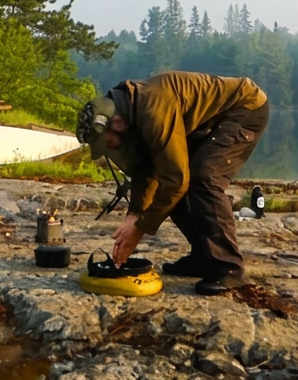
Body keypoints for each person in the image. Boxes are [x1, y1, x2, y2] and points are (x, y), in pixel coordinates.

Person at [76, 71, 270, 295]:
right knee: (170, 185)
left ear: (116, 124)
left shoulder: (152, 111)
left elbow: (176, 181)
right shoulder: (128, 109)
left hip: (244, 108)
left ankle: (228, 269)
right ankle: (203, 257)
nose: (110, 149)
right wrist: (135, 214)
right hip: (210, 121)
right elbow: (146, 168)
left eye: (107, 143)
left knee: (203, 178)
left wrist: (140, 229)